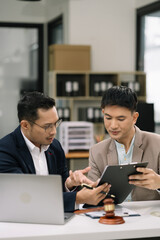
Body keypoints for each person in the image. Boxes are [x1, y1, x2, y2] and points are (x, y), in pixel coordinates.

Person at [0, 91, 110, 212]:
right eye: (47, 126)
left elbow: (60, 191)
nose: (53, 132)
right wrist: (78, 198)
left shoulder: (54, 146)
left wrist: (69, 184)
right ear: (25, 125)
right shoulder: (5, 150)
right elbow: (25, 197)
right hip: (20, 221)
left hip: (56, 219)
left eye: (56, 123)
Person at [88, 86, 160, 201]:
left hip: (149, 215)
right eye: (108, 118)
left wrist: (159, 182)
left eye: (120, 119)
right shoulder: (96, 151)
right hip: (111, 214)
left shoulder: (157, 144)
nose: (113, 125)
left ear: (134, 117)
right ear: (103, 113)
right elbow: (91, 197)